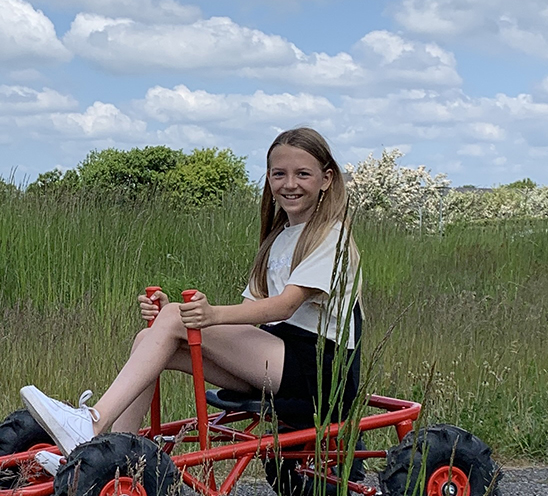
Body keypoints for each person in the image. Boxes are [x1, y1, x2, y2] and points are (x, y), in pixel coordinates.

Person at [21, 127, 362, 456]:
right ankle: (112, 455)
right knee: (149, 337)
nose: (289, 184)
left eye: (303, 174)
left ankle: (91, 425)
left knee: (173, 320)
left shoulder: (332, 235)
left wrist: (205, 316)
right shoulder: (279, 238)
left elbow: (284, 306)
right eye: (278, 174)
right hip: (278, 361)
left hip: (320, 370)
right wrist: (176, 320)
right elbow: (248, 314)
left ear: (326, 179)